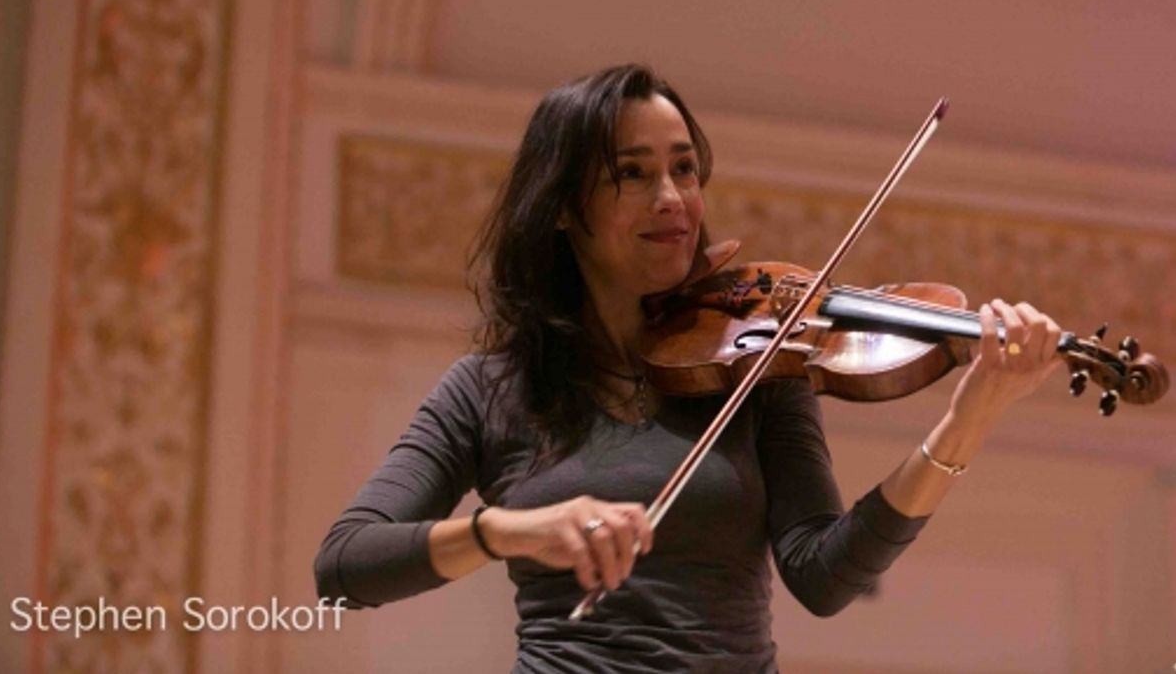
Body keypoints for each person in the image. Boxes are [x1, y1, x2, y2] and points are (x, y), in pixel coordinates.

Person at [314, 64, 1064, 673]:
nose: (672, 198)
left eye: (684, 168)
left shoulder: (759, 361)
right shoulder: (492, 390)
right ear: (563, 207)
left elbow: (826, 576)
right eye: (632, 173)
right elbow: (345, 565)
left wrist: (971, 415)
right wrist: (509, 529)